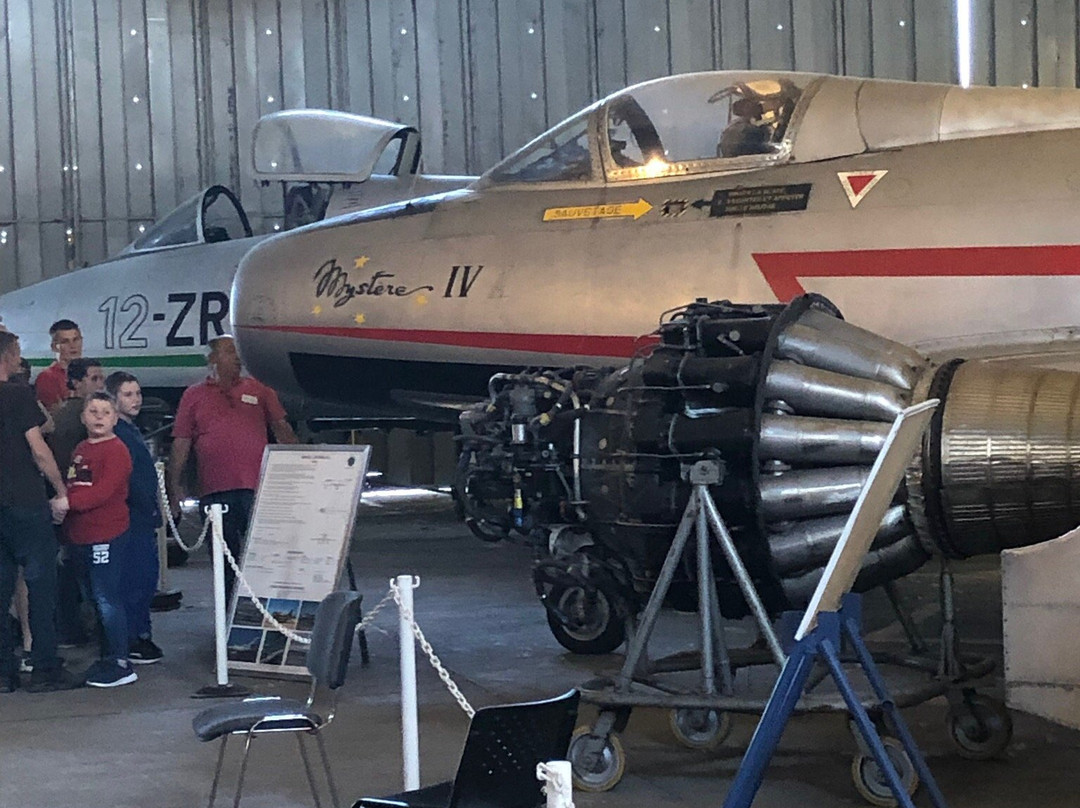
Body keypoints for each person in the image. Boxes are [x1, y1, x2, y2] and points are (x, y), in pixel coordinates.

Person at [167, 336, 298, 598]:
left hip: (257, 489)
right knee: (225, 559)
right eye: (229, 351)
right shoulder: (193, 395)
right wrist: (174, 487)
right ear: (212, 359)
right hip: (214, 492)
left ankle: (266, 615)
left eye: (238, 351)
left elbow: (281, 428)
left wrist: (304, 464)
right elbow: (181, 443)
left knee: (263, 554)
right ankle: (228, 617)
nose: (237, 356)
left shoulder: (259, 389)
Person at [0, 330, 78, 692]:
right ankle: (45, 664)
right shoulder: (17, 394)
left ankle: (4, 671)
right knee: (41, 583)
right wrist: (60, 490)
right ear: (7, 356)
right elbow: (39, 447)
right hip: (24, 500)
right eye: (16, 353)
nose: (19, 359)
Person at [65, 391, 136, 687]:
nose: (98, 417)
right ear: (83, 416)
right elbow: (74, 483)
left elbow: (104, 491)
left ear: (115, 418)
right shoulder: (80, 449)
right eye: (93, 411)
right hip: (80, 535)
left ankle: (120, 661)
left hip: (106, 533)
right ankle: (106, 655)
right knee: (92, 598)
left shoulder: (117, 451)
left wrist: (68, 504)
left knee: (107, 597)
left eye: (105, 412)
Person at [48, 357, 106, 647]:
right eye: (94, 379)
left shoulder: (58, 416)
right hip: (78, 503)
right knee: (78, 571)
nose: (100, 384)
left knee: (68, 568)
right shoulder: (80, 421)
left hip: (63, 500)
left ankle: (69, 627)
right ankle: (76, 627)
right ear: (77, 382)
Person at [105, 371, 162, 664]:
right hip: (131, 519)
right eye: (128, 394)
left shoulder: (132, 432)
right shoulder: (120, 436)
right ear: (114, 400)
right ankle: (133, 638)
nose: (136, 399)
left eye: (138, 393)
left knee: (145, 578)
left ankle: (140, 634)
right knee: (135, 580)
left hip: (141, 517)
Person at [35, 319, 83, 412]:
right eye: (65, 341)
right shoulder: (47, 377)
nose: (72, 345)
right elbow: (53, 413)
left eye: (76, 340)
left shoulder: (91, 372)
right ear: (54, 347)